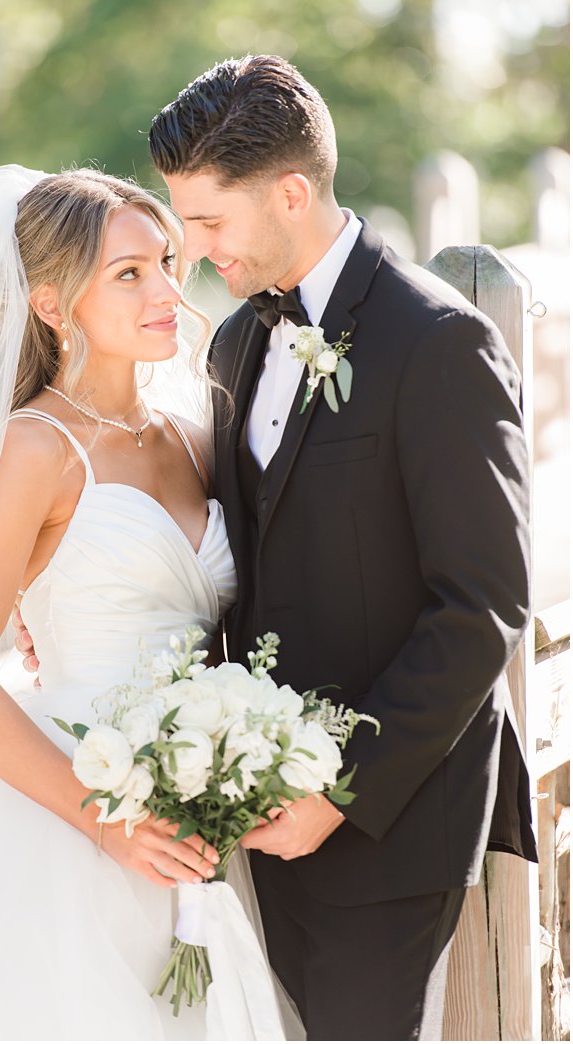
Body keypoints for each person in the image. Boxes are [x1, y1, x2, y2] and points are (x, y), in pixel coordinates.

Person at [0, 167, 289, 1040]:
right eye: (129, 274)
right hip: (71, 808)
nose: (166, 294)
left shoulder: (193, 432)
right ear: (49, 303)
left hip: (201, 797)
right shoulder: (33, 448)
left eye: (167, 262)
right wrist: (109, 826)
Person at [138, 55, 534, 1040]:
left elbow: (481, 605)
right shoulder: (231, 343)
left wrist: (335, 795)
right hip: (254, 813)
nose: (188, 250)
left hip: (388, 815)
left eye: (207, 222)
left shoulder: (436, 341)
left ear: (288, 191)